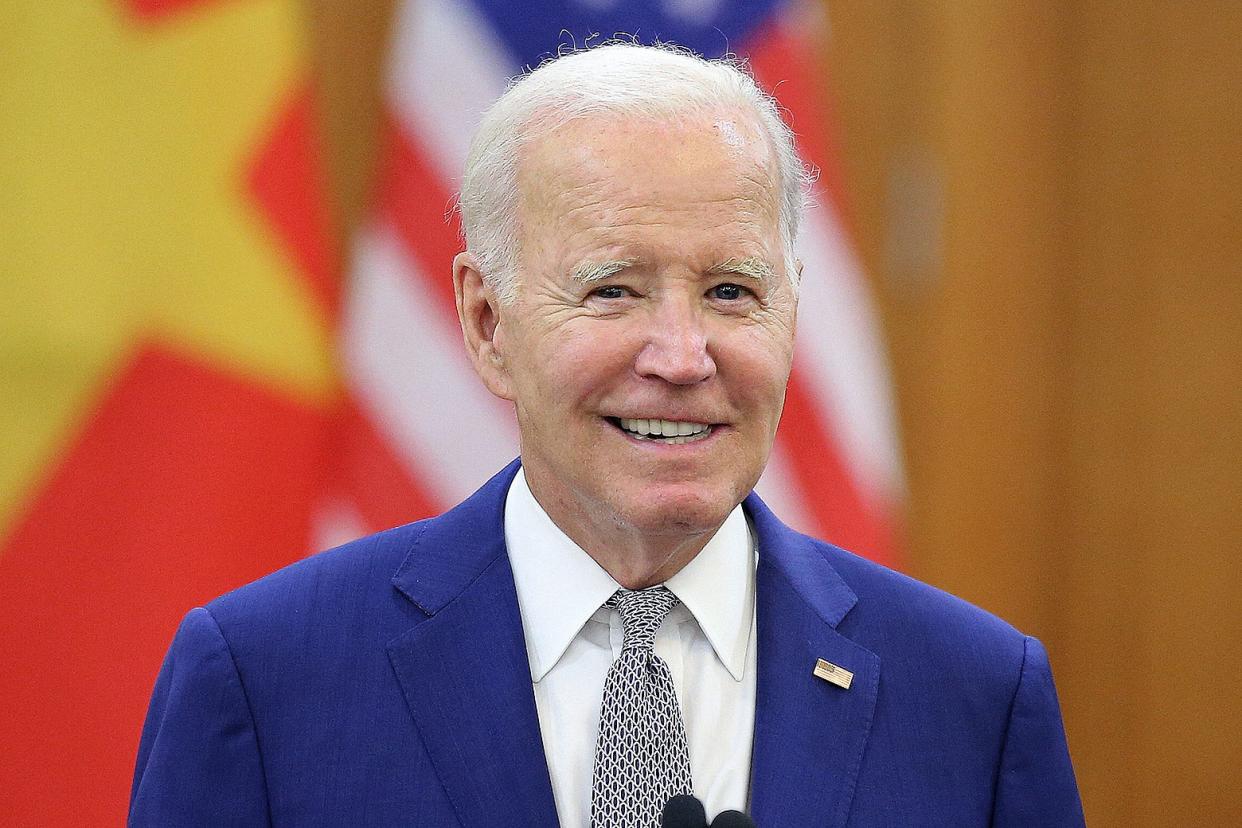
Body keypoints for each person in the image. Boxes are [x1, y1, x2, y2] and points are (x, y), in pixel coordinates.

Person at [129, 43, 1083, 827]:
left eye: (731, 293)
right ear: (487, 323)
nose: (681, 355)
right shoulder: (264, 679)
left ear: (794, 312)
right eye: (613, 290)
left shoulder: (972, 697)